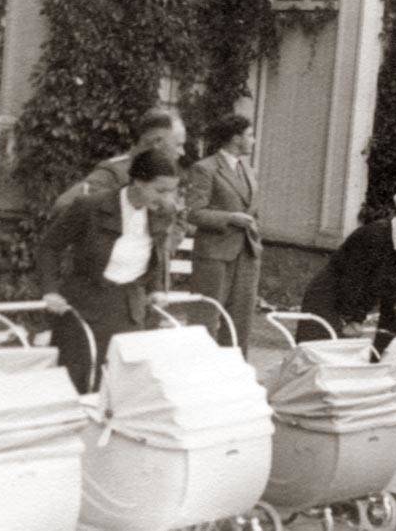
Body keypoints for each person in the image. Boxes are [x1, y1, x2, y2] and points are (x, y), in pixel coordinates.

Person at [38, 149, 180, 393]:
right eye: (160, 190)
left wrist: (156, 288)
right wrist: (50, 290)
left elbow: (155, 253)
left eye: (171, 191)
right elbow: (49, 247)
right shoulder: (90, 206)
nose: (167, 198)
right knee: (79, 384)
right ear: (138, 181)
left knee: (123, 386)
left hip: (130, 310)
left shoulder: (163, 212)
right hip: (85, 307)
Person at [297, 185, 396, 352]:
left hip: (343, 302)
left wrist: (395, 309)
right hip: (328, 299)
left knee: (337, 357)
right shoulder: (375, 236)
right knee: (317, 354)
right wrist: (352, 319)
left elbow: (382, 282)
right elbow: (353, 279)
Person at [187, 114, 262, 355]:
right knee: (206, 318)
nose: (253, 140)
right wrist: (230, 218)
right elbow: (194, 212)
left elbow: (253, 209)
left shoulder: (248, 170)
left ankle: (234, 370)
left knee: (241, 321)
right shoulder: (205, 168)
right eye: (250, 135)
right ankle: (199, 369)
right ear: (235, 138)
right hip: (214, 255)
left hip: (247, 253)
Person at [52, 108, 187, 214]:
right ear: (157, 142)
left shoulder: (169, 175)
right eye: (178, 145)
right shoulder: (116, 172)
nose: (182, 152)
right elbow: (64, 205)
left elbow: (177, 215)